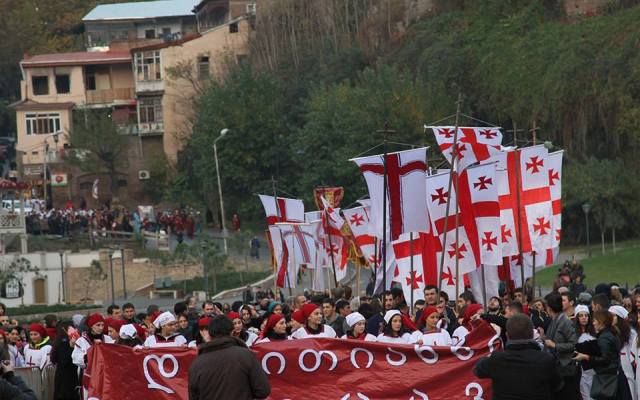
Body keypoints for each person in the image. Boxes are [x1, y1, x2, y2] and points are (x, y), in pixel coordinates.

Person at [474, 314, 563, 399]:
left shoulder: (496, 359)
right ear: (532, 334)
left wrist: (489, 356)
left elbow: (477, 370)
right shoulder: (546, 360)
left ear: (507, 335)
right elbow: (558, 386)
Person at [188, 316, 271, 400]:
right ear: (232, 332)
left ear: (210, 333)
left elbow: (193, 396)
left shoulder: (197, 363)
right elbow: (263, 390)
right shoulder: (246, 355)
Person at [573, 310, 632, 400]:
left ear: (601, 321)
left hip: (609, 379)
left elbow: (605, 359)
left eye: (595, 320)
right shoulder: (609, 333)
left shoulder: (604, 337)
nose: (593, 323)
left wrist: (586, 357)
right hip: (614, 376)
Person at [543, 292, 579, 400]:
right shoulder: (554, 320)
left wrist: (555, 345)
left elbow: (574, 344)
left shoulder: (564, 321)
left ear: (549, 308)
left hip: (565, 370)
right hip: (556, 368)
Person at [50, 321, 80, 400]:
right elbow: (64, 361)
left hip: (71, 379)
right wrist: (71, 347)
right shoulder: (62, 343)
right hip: (65, 380)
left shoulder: (65, 342)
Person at [574, 304, 596, 400]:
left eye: (586, 315)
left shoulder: (594, 333)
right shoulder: (573, 334)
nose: (584, 318)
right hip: (581, 373)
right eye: (581, 315)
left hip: (594, 372)